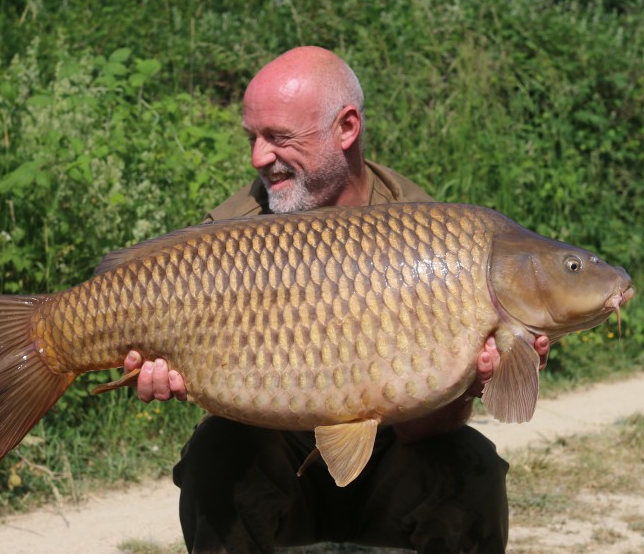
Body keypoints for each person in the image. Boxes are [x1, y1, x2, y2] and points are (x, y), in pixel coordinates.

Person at [123, 46, 549, 553]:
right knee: (216, 450)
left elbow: (424, 429)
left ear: (346, 129)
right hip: (280, 448)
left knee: (468, 461)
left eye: (279, 138)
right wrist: (166, 372)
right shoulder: (234, 229)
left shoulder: (432, 233)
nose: (259, 157)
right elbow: (222, 399)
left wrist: (468, 383)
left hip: (393, 449)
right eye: (253, 138)